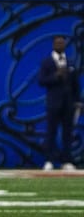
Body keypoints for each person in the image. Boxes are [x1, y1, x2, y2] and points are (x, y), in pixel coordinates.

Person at [39, 35, 82, 171]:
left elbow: (75, 85)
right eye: (57, 43)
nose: (59, 45)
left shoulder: (70, 63)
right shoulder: (47, 62)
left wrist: (78, 101)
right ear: (53, 45)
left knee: (67, 133)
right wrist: (55, 76)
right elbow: (41, 80)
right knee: (51, 132)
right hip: (53, 103)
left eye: (62, 43)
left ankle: (67, 160)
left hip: (68, 104)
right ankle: (49, 160)